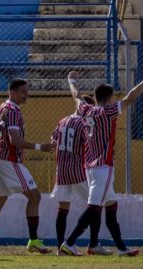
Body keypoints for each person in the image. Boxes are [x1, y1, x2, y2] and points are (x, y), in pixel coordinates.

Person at [60, 67, 143, 256]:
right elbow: (131, 97)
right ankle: (69, 243)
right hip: (103, 166)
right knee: (94, 208)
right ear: (109, 98)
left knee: (111, 206)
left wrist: (71, 81)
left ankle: (121, 248)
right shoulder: (108, 111)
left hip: (90, 166)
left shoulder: (86, 109)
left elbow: (76, 96)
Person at [0, 78, 52, 255]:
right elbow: (14, 140)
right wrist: (41, 147)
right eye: (23, 91)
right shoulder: (13, 110)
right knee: (35, 197)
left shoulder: (2, 107)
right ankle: (33, 240)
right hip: (10, 160)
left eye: (27, 90)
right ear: (12, 92)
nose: (26, 94)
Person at [51, 94, 112, 256]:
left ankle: (60, 247)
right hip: (77, 168)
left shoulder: (63, 120)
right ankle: (93, 244)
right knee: (96, 205)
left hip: (61, 169)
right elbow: (90, 143)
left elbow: (53, 143)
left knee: (63, 208)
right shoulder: (84, 122)